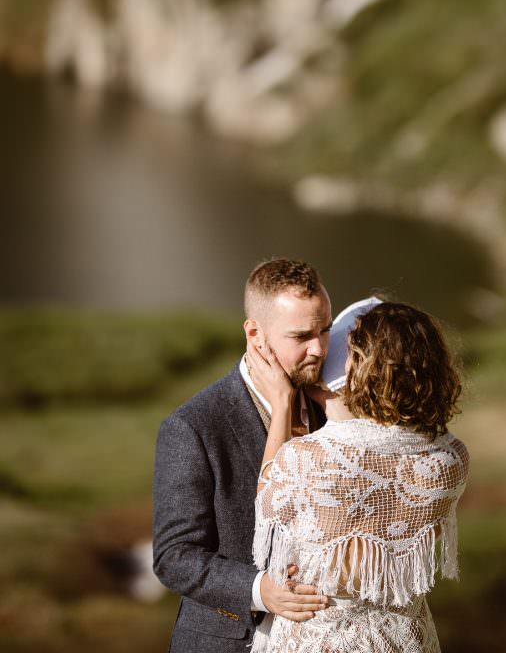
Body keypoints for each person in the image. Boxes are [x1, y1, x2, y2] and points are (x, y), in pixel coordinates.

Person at [247, 301, 469, 653]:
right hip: (405, 637)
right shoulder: (451, 457)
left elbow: (267, 509)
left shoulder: (310, 457)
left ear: (360, 368)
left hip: (321, 638)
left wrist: (282, 405)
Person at [152, 258, 334, 653]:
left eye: (325, 329)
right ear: (255, 334)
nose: (319, 348)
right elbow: (173, 556)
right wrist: (259, 590)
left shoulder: (334, 405)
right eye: (301, 335)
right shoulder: (193, 426)